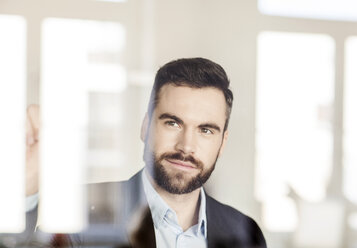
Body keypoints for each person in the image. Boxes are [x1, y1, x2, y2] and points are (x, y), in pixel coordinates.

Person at [7, 58, 266, 248]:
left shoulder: (246, 233)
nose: (186, 146)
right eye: (172, 123)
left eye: (206, 130)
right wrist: (24, 191)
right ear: (145, 127)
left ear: (222, 143)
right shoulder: (82, 213)